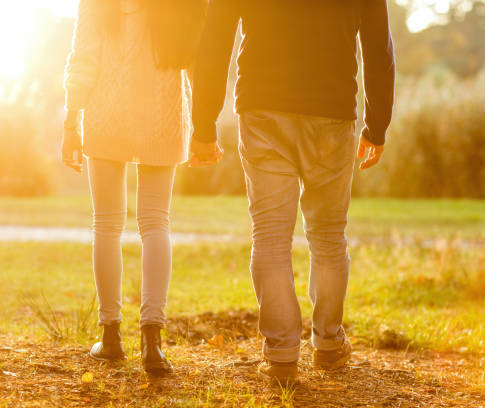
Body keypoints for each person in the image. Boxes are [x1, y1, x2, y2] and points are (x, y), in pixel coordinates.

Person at [191, 0, 395, 384]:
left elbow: (215, 37)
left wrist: (203, 123)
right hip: (331, 112)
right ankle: (329, 343)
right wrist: (377, 124)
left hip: (263, 109)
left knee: (269, 236)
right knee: (329, 234)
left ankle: (282, 354)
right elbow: (377, 45)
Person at [62, 0, 208, 375]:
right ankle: (152, 341)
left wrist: (70, 123)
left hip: (105, 114)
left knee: (107, 224)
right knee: (156, 223)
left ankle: (110, 337)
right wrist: (205, 127)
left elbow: (84, 57)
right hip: (163, 114)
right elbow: (195, 59)